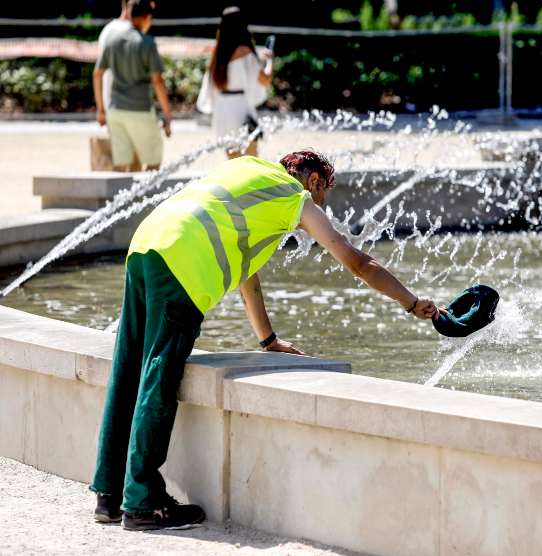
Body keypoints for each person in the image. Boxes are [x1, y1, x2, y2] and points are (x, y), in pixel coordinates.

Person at [91, 151, 439, 531]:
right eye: (324, 195)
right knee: (160, 372)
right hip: (184, 262)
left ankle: (108, 495)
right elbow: (358, 262)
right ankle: (142, 502)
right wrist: (411, 302)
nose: (323, 206)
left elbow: (247, 276)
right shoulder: (296, 197)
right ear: (315, 182)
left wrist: (268, 339)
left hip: (149, 242)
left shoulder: (248, 170)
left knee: (129, 365)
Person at [93, 0, 172, 172]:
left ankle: (119, 199)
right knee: (153, 161)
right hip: (140, 109)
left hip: (115, 111)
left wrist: (100, 108)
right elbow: (157, 81)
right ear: (146, 17)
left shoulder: (112, 40)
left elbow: (97, 74)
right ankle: (148, 198)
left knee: (121, 165)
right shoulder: (147, 43)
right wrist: (167, 113)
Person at [196, 6, 273, 158]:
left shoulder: (218, 53)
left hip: (222, 111)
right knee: (251, 160)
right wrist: (270, 60)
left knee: (233, 162)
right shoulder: (245, 51)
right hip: (241, 110)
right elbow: (265, 80)